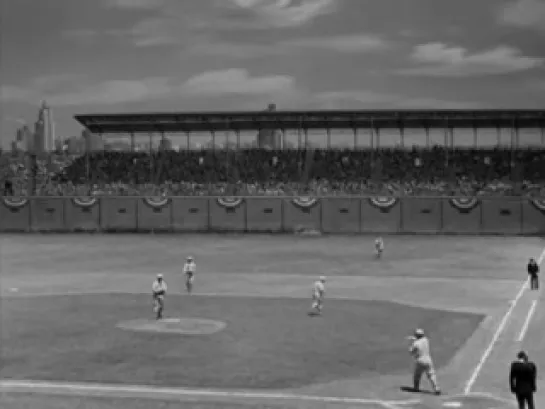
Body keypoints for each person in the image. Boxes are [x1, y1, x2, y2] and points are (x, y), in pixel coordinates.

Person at [408, 328, 441, 395]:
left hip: (420, 361)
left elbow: (411, 352)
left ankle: (416, 388)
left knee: (417, 375)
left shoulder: (415, 344)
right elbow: (420, 339)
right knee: (431, 375)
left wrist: (411, 344)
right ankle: (436, 388)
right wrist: (414, 339)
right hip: (428, 360)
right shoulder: (426, 340)